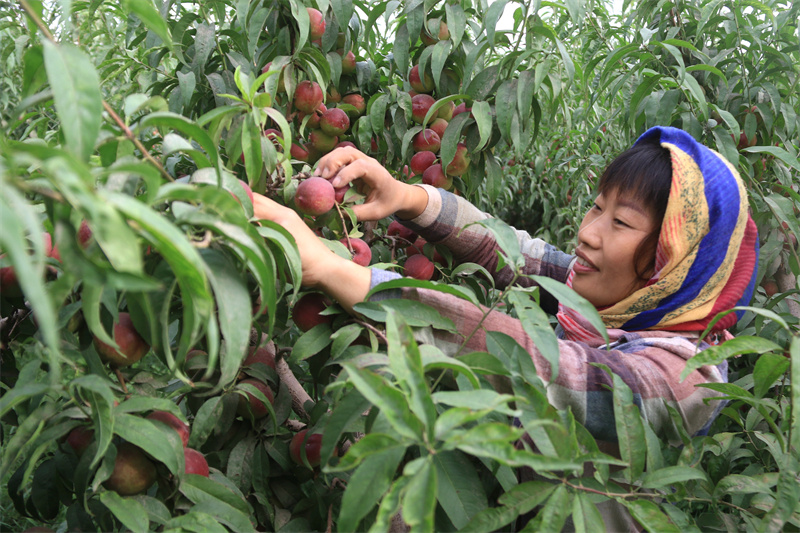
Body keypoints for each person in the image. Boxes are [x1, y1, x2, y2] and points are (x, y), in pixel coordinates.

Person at [252, 126, 759, 530]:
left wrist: (344, 273)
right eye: (596, 207)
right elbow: (516, 252)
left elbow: (551, 369)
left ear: (675, 260)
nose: (588, 232)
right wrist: (408, 197)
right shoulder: (620, 300)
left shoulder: (689, 377)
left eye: (621, 223)